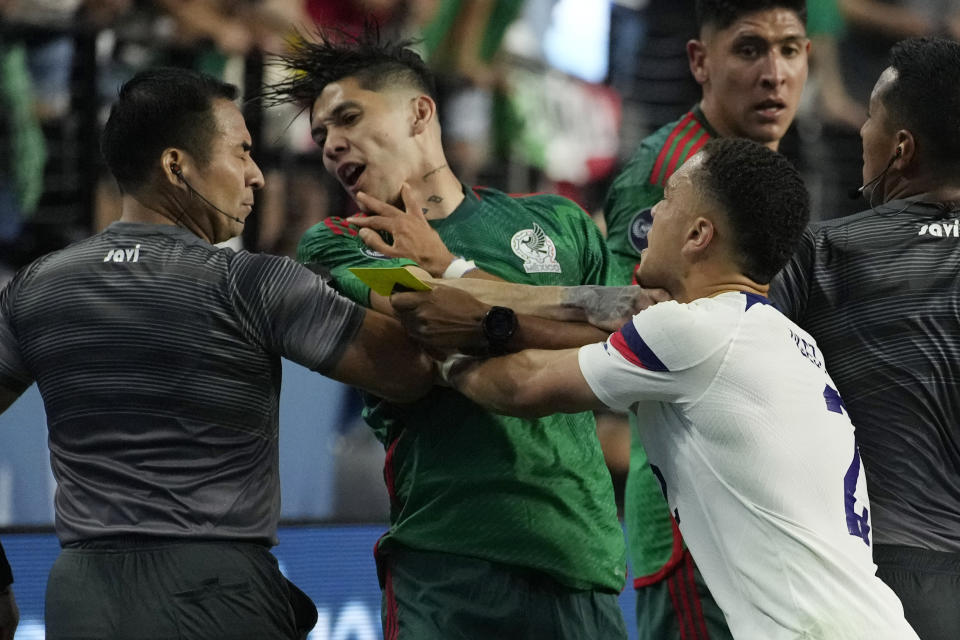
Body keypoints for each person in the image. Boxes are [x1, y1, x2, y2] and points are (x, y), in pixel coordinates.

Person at [0, 67, 433, 639]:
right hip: (213, 594)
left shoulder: (36, 287)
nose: (257, 176)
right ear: (177, 166)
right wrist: (405, 270)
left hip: (78, 596)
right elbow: (414, 368)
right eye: (242, 152)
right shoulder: (251, 284)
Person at [434, 137, 919, 640]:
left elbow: (523, 384)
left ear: (698, 234)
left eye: (665, 200)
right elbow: (598, 321)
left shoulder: (695, 334)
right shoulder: (778, 335)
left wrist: (435, 354)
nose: (650, 218)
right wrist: (456, 275)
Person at [262, 28, 629, 639]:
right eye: (322, 135)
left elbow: (634, 330)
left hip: (580, 560)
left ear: (419, 113)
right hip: (446, 566)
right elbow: (435, 315)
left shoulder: (557, 222)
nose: (331, 146)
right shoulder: (342, 242)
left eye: (349, 117)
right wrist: (584, 322)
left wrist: (459, 274)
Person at [600, 1, 809, 635]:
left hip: (761, 510)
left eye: (790, 49)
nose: (773, 73)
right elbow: (631, 325)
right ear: (700, 60)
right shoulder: (675, 174)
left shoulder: (760, 170)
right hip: (696, 519)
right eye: (749, 50)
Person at [769, 37, 960, 640]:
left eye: (872, 117)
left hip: (880, 579)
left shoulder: (823, 252)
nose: (861, 132)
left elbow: (717, 352)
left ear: (901, 149)